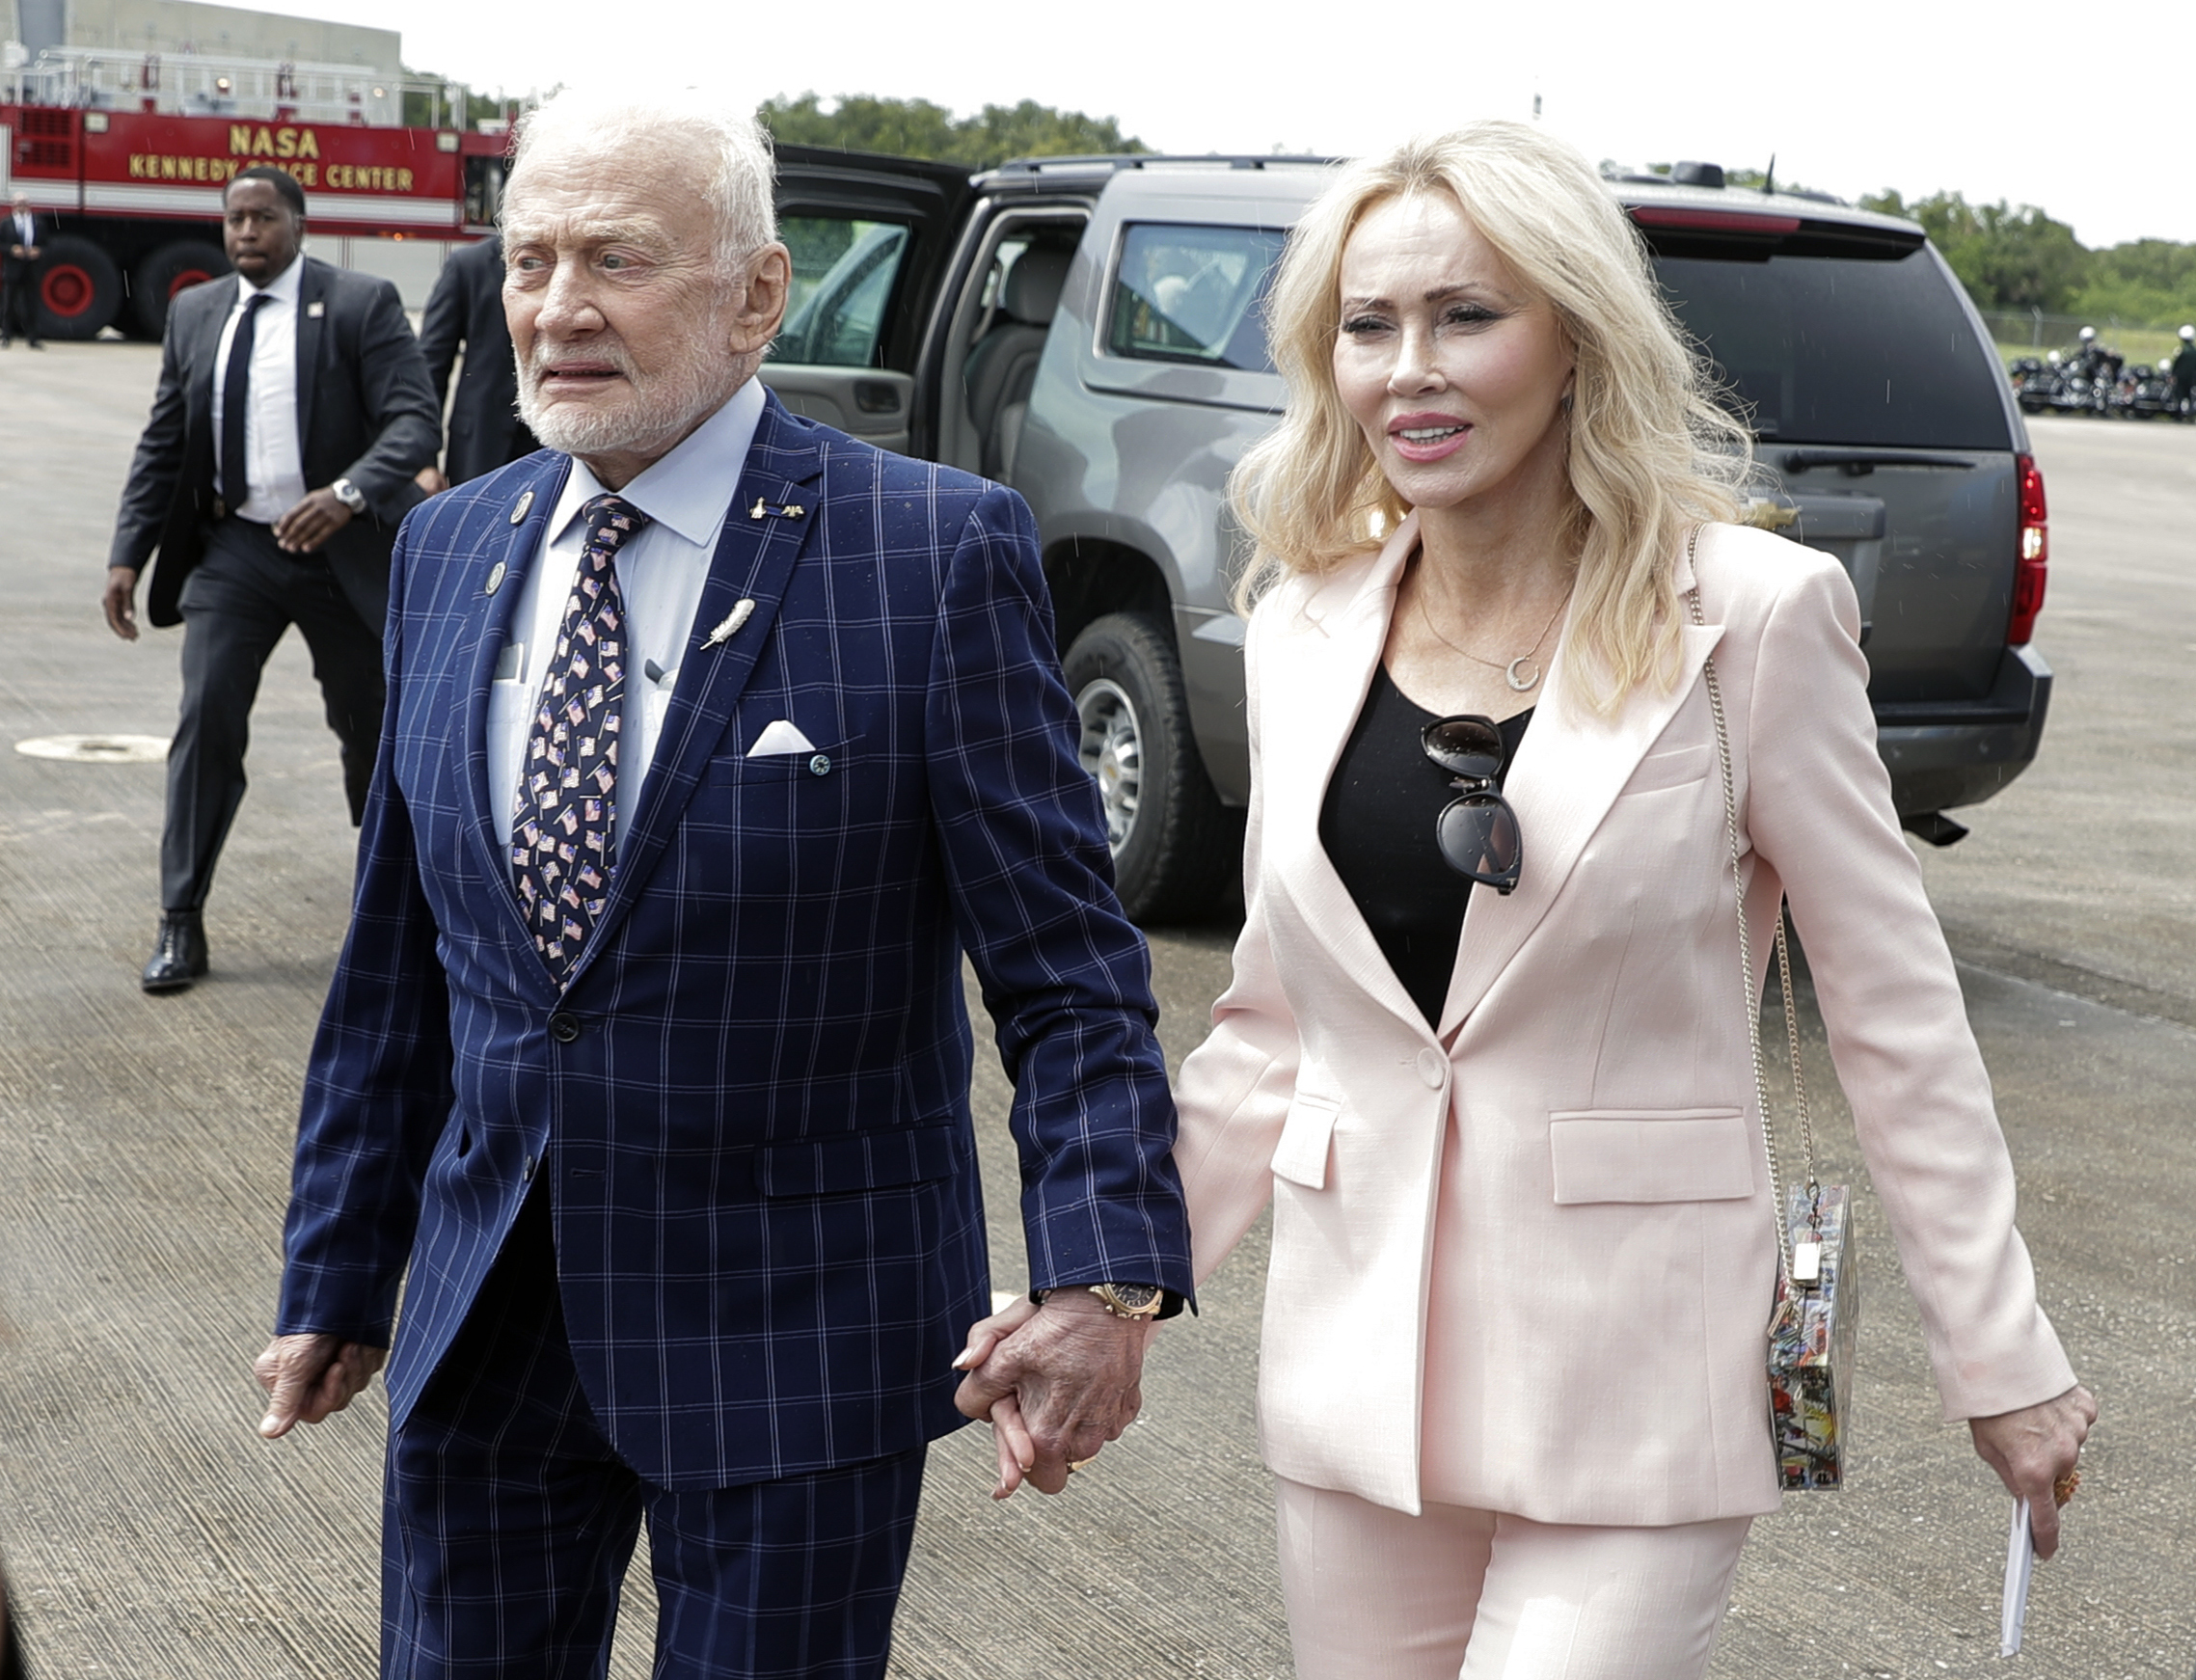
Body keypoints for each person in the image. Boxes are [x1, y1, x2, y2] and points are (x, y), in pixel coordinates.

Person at [986, 124, 2097, 1678]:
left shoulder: (1752, 616)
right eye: (1367, 327)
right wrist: (1106, 1289)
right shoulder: (1304, 621)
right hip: (1360, 1379)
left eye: (1465, 317)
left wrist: (2001, 1355)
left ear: (1574, 339)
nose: (1407, 371)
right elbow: (1270, 1031)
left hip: (1640, 1377)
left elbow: (1896, 1011)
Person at [250, 87, 1190, 1680]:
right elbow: (396, 964)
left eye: (616, 259)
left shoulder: (930, 553)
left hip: (794, 1334)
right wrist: (337, 1268)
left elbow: (1068, 974)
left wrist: (1106, 1274)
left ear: (759, 294)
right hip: (488, 1322)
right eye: (529, 256)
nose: (556, 309)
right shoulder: (449, 548)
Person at [101, 165, 440, 992]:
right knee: (206, 717)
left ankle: (394, 916)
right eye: (233, 219)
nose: (245, 232)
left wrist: (348, 493)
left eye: (262, 218)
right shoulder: (194, 312)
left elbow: (413, 418)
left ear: (298, 224)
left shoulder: (360, 304)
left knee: (372, 732)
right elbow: (163, 443)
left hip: (342, 554)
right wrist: (126, 554)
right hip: (237, 553)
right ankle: (180, 919)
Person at [416, 230, 539, 485]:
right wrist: (422, 459)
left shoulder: (572, 265)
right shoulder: (469, 265)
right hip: (480, 443)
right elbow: (430, 368)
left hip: (553, 442)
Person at [2, 192, 43, 349]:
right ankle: (6, 337)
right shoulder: (6, 223)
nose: (21, 206)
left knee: (31, 304)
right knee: (8, 305)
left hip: (31, 268)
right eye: (18, 203)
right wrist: (12, 249)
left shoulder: (38, 222)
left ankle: (33, 338)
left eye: (24, 203)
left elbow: (46, 243)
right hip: (12, 268)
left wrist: (39, 251)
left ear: (28, 205)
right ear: (13, 205)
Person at [2170, 323, 2196, 419]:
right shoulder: (2194, 350)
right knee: (2189, 395)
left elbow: (2176, 364)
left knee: (2179, 394)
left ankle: (2178, 414)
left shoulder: (2180, 350)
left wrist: (2172, 374)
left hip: (2181, 376)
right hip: (2192, 377)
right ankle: (2190, 414)